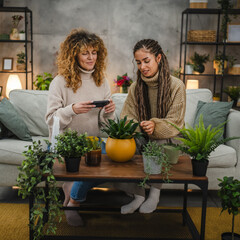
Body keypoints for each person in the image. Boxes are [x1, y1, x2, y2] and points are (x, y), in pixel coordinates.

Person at [45, 29, 115, 226]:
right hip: (65, 144)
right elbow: (51, 120)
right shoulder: (59, 82)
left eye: (94, 52)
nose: (91, 57)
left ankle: (72, 194)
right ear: (73, 54)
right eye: (85, 53)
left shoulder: (101, 81)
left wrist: (109, 111)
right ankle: (73, 204)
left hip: (92, 143)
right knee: (85, 166)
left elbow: (106, 125)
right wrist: (72, 110)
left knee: (112, 164)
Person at [117, 39, 186, 214]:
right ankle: (138, 195)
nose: (142, 67)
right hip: (143, 134)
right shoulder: (135, 87)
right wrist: (140, 128)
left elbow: (175, 121)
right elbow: (127, 116)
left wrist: (155, 125)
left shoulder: (176, 85)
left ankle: (154, 194)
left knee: (159, 141)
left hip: (170, 136)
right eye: (138, 62)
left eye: (146, 61)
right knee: (125, 144)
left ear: (158, 58)